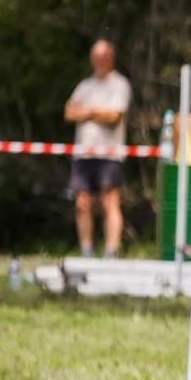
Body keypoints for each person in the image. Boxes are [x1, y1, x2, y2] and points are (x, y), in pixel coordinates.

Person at [63, 40, 132, 257]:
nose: (100, 61)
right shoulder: (85, 86)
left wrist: (87, 111)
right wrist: (97, 112)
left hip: (109, 153)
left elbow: (114, 117)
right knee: (82, 203)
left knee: (109, 201)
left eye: (104, 57)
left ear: (111, 58)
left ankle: (111, 252)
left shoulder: (119, 85)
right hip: (84, 153)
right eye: (97, 57)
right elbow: (69, 113)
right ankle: (86, 251)